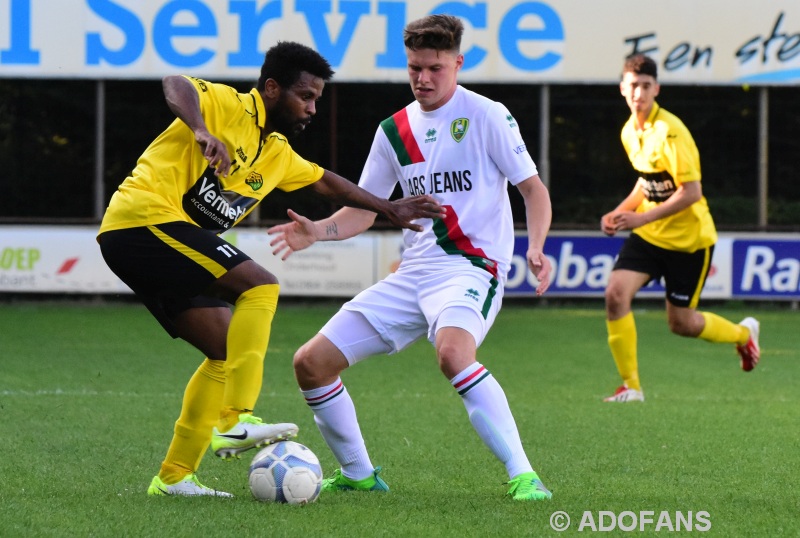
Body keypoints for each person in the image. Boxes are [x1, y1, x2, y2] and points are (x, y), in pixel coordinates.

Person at [96, 41, 442, 497]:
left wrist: (387, 207)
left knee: (224, 349)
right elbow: (175, 83)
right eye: (306, 96)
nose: (313, 108)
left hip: (163, 243)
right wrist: (200, 130)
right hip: (142, 222)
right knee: (260, 286)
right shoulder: (227, 106)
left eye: (317, 98)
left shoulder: (276, 152)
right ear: (273, 89)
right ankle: (236, 419)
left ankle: (174, 476)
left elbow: (325, 182)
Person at [268, 15, 554, 501]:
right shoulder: (393, 130)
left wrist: (536, 245)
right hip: (412, 275)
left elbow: (533, 189)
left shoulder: (487, 115)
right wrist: (317, 230)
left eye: (434, 68)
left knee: (453, 353)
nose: (423, 78)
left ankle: (524, 475)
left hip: (470, 268)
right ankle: (358, 473)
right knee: (310, 363)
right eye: (414, 68)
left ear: (457, 64)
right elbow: (365, 211)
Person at [600, 54, 761, 403]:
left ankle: (742, 334)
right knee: (615, 295)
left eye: (646, 86)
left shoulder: (671, 132)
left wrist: (639, 218)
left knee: (682, 324)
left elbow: (692, 192)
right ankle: (632, 387)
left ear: (656, 89)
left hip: (689, 241)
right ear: (622, 89)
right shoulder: (630, 131)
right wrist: (619, 212)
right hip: (650, 235)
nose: (639, 93)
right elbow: (648, 183)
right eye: (633, 86)